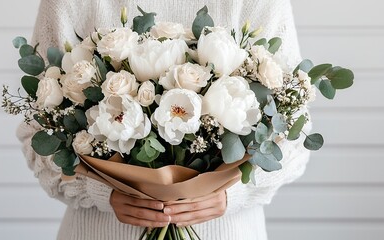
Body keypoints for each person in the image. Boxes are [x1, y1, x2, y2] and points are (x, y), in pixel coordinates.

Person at [17, 0, 310, 239]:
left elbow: (294, 136)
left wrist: (231, 194)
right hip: (99, 232)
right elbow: (37, 133)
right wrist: (99, 192)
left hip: (226, 232)